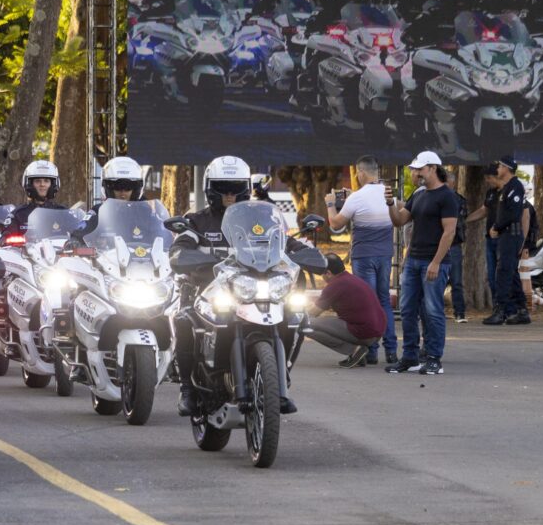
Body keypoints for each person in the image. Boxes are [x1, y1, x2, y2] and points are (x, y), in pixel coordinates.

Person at [170, 156, 308, 416]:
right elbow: (180, 247)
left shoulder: (263, 219)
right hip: (210, 290)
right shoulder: (197, 221)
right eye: (223, 188)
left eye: (235, 188)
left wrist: (307, 253)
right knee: (184, 319)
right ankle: (187, 388)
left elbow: (286, 242)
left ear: (245, 188)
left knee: (295, 315)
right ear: (210, 189)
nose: (230, 194)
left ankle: (279, 377)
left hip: (253, 288)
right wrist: (184, 255)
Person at [383, 151, 457, 375]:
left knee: (433, 311)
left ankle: (434, 358)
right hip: (413, 260)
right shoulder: (418, 194)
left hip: (433, 262)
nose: (415, 173)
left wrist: (436, 262)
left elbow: (449, 232)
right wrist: (390, 203)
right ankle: (410, 357)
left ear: (433, 168)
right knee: (407, 309)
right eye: (414, 169)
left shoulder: (446, 196)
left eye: (420, 169)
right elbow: (399, 220)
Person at [323, 155, 398, 365]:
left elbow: (336, 224)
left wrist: (330, 204)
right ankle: (391, 350)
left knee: (368, 301)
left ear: (362, 172)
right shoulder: (388, 194)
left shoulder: (356, 198)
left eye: (357, 173)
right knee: (384, 301)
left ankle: (370, 351)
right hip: (385, 255)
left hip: (364, 255)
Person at [307, 254, 387, 368]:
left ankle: (354, 351)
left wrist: (297, 313)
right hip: (377, 331)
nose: (321, 277)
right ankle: (358, 356)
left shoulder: (335, 285)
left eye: (321, 273)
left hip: (364, 331)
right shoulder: (350, 279)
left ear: (328, 273)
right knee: (326, 322)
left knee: (304, 324)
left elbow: (313, 313)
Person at [483, 157, 531, 325]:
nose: (498, 169)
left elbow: (514, 213)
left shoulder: (515, 187)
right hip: (506, 235)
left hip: (511, 235)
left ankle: (500, 311)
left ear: (507, 168)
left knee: (503, 273)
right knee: (511, 273)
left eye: (500, 166)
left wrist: (497, 226)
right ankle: (522, 310)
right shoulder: (507, 187)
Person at [0, 160, 66, 235]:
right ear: (30, 184)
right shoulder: (18, 214)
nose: (42, 184)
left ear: (53, 184)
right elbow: (7, 234)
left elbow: (75, 229)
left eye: (46, 181)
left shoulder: (63, 213)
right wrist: (6, 235)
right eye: (37, 181)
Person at [466, 164, 501, 301]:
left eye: (489, 178)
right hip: (490, 239)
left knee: (502, 275)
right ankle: (497, 305)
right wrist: (466, 219)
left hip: (503, 239)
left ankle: (506, 306)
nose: (487, 181)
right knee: (491, 276)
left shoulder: (508, 191)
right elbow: (484, 210)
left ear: (497, 176)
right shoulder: (490, 192)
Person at [444, 172, 468, 322]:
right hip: (438, 243)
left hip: (453, 244)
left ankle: (459, 312)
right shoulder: (436, 197)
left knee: (456, 280)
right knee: (436, 280)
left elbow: (460, 221)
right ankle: (434, 311)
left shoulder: (459, 200)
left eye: (447, 182)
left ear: (453, 183)